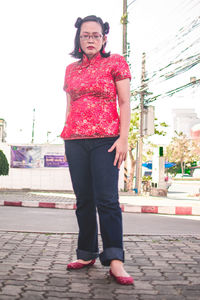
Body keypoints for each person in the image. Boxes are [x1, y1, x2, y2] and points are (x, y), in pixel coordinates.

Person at [61, 15, 133, 285]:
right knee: (84, 200)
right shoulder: (70, 70)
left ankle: (115, 260)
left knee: (107, 200)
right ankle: (86, 252)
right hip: (75, 140)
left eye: (95, 35)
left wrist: (123, 138)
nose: (90, 39)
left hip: (106, 140)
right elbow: (70, 105)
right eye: (85, 35)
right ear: (78, 40)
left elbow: (124, 102)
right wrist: (66, 132)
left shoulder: (115, 62)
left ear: (104, 38)